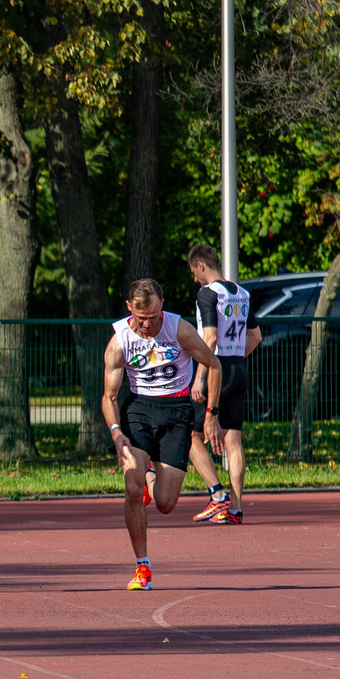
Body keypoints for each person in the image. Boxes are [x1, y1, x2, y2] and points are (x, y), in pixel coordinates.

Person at [101, 278, 226, 592]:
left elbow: (213, 365)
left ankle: (150, 474)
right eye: (141, 318)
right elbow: (109, 397)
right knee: (133, 489)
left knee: (165, 504)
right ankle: (142, 566)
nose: (147, 325)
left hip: (176, 412)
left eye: (153, 317)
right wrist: (116, 432)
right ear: (129, 308)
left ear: (163, 307)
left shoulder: (179, 329)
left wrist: (211, 415)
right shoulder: (120, 340)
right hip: (138, 411)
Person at [183, 244, 252, 525]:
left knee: (190, 435)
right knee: (233, 440)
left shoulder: (207, 293)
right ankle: (235, 509)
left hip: (216, 368)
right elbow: (256, 336)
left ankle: (217, 494)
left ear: (201, 265)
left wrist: (200, 376)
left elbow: (209, 338)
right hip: (239, 367)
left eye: (194, 272)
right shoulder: (243, 294)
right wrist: (235, 359)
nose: (194, 278)